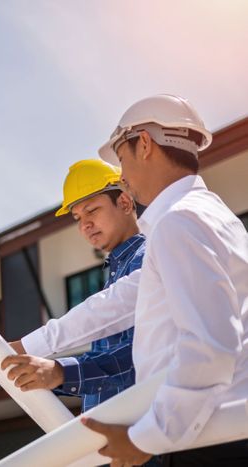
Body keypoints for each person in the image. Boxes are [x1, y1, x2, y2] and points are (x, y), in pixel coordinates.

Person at [76, 94, 248, 466]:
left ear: (145, 143)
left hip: (206, 438)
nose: (121, 176)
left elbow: (210, 346)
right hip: (216, 427)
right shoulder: (214, 217)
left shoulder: (178, 222)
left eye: (121, 159)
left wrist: (145, 439)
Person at [2, 159, 145, 412]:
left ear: (124, 202)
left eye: (92, 210)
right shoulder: (117, 271)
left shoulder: (147, 258)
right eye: (78, 217)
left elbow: (140, 359)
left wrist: (59, 371)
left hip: (143, 435)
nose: (84, 225)